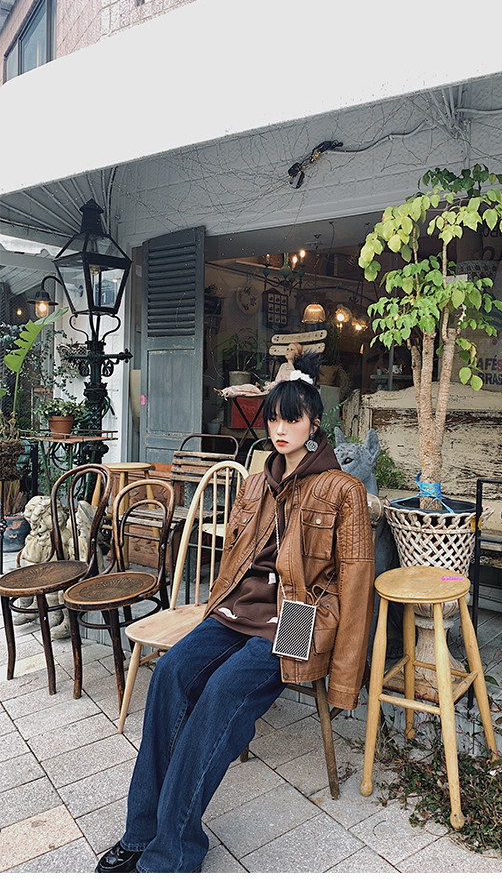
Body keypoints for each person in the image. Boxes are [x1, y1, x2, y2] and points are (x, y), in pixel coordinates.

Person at [95, 355, 375, 874]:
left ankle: (174, 850)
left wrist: (343, 684)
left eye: (292, 419)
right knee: (170, 673)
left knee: (223, 692)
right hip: (237, 606)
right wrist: (213, 605)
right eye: (274, 418)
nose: (280, 429)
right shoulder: (256, 481)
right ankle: (141, 831)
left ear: (314, 423)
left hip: (296, 616)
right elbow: (235, 556)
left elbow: (354, 588)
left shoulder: (343, 490)